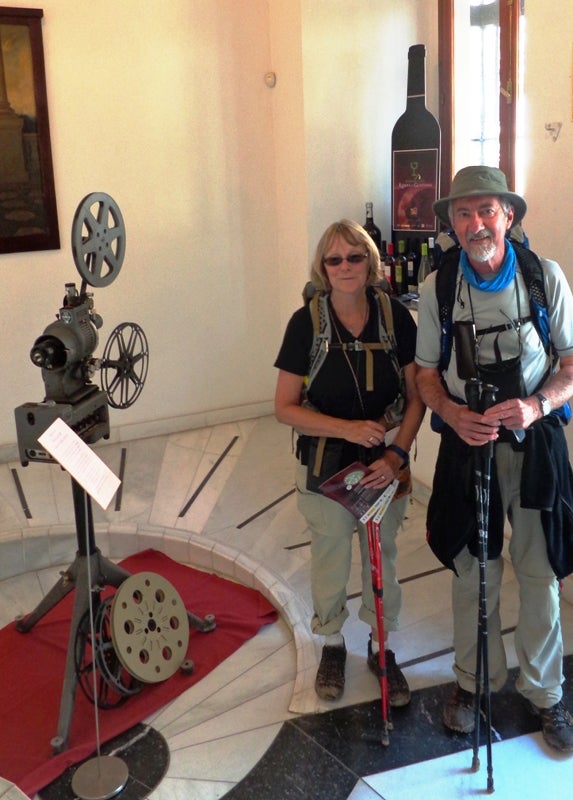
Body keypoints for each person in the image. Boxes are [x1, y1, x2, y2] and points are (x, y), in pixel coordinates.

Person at [415, 165, 573, 752]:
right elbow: (425, 375)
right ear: (452, 224)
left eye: (487, 210)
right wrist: (452, 414)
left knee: (539, 573)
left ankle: (546, 694)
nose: (476, 223)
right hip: (467, 444)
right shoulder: (438, 287)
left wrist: (537, 405)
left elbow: (570, 365)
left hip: (535, 446)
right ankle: (473, 682)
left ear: (508, 215)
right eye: (464, 212)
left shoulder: (544, 278)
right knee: (471, 571)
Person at [274, 219, 425, 704]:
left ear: (370, 262)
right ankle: (333, 644)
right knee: (331, 555)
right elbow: (284, 407)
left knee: (384, 557)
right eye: (334, 259)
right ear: (322, 267)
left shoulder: (395, 318)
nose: (345, 267)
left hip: (385, 465)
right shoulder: (306, 324)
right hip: (327, 466)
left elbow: (416, 396)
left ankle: (382, 646)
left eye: (354, 257)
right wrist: (348, 429)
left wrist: (396, 454)